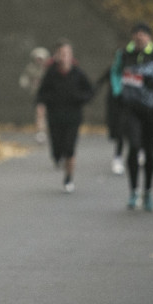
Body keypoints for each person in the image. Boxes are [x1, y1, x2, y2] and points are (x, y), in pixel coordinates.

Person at [109, 23, 153, 212]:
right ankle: (133, 192)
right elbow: (115, 72)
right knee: (133, 147)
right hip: (130, 109)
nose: (139, 38)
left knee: (149, 152)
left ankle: (148, 192)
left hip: (151, 110)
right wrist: (118, 90)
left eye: (143, 35)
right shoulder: (123, 54)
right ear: (132, 37)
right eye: (136, 35)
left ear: (149, 37)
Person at [35, 39, 94, 192]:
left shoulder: (78, 73)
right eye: (61, 53)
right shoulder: (51, 73)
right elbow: (42, 93)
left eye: (67, 53)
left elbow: (89, 91)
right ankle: (57, 157)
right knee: (57, 147)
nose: (64, 57)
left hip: (73, 116)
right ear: (56, 55)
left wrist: (80, 98)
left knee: (70, 148)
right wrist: (43, 103)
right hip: (55, 115)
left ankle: (69, 177)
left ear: (71, 55)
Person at [95, 66, 126, 176]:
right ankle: (118, 156)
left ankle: (120, 156)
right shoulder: (112, 70)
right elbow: (99, 82)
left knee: (128, 130)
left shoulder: (133, 69)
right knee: (116, 131)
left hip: (130, 104)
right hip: (114, 105)